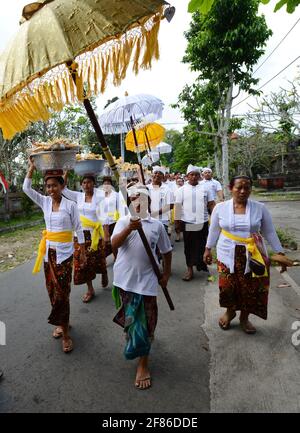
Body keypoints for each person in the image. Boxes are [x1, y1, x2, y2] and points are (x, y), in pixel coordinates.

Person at [203, 175, 291, 334]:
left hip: (253, 254)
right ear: (231, 189)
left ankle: (244, 317)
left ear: (251, 189)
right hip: (226, 253)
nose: (243, 191)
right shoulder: (220, 208)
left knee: (250, 288)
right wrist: (208, 248)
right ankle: (230, 312)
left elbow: (269, 231)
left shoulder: (260, 208)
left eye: (247, 188)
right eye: (239, 187)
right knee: (228, 287)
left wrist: (280, 253)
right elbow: (214, 230)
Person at [111, 184, 172, 390]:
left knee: (146, 323)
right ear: (130, 202)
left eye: (142, 199)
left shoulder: (157, 226)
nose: (138, 202)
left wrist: (166, 273)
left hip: (147, 282)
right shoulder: (122, 221)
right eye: (134, 199)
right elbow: (113, 245)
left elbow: (166, 251)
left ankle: (143, 364)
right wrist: (129, 228)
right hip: (124, 281)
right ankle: (134, 336)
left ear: (149, 203)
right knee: (131, 321)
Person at [23, 159, 86, 353]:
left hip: (65, 255)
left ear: (62, 185)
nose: (50, 189)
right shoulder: (44, 202)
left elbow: (79, 228)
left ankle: (66, 335)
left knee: (62, 293)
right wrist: (32, 168)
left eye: (54, 186)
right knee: (51, 290)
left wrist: (81, 251)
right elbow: (26, 188)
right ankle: (62, 322)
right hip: (48, 253)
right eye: (48, 186)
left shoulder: (70, 205)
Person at [62, 173, 108, 303]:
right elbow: (63, 188)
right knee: (83, 262)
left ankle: (104, 273)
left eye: (89, 182)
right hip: (80, 235)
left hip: (95, 235)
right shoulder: (78, 196)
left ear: (94, 183)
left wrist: (106, 237)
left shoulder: (99, 198)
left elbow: (104, 218)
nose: (86, 185)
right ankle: (90, 289)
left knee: (99, 258)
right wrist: (66, 172)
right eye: (84, 183)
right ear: (81, 185)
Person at [174, 164, 215, 281]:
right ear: (187, 176)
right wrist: (177, 223)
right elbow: (177, 207)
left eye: (196, 175)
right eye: (191, 175)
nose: (194, 177)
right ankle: (189, 270)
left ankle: (203, 266)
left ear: (200, 176)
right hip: (188, 223)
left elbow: (211, 204)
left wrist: (217, 218)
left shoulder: (206, 188)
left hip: (202, 222)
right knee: (189, 247)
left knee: (203, 246)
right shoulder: (181, 190)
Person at [97, 176, 120, 258]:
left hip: (114, 221)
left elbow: (119, 207)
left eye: (108, 184)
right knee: (104, 241)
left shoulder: (116, 195)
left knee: (113, 240)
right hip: (102, 222)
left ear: (111, 185)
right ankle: (104, 259)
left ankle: (116, 257)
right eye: (105, 184)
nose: (106, 185)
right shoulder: (99, 195)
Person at [148, 166, 174, 234]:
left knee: (162, 243)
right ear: (152, 175)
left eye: (160, 173)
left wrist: (154, 213)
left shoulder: (167, 189)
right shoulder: (146, 188)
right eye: (155, 173)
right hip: (148, 220)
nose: (157, 175)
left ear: (163, 176)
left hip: (163, 221)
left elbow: (170, 205)